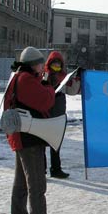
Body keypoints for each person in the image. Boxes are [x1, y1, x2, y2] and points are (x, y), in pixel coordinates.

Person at [4, 46, 64, 214]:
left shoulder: (18, 77)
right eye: (40, 63)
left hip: (22, 136)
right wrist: (48, 86)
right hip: (29, 137)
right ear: (33, 64)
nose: (42, 66)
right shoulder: (26, 80)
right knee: (37, 185)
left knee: (21, 183)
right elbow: (46, 101)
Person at [43, 51, 70, 179]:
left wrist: (78, 77)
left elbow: (73, 89)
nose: (57, 65)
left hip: (59, 115)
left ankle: (56, 169)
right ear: (50, 63)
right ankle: (41, 170)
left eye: (59, 62)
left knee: (56, 144)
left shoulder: (64, 76)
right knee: (42, 143)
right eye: (54, 62)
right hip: (45, 114)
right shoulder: (44, 75)